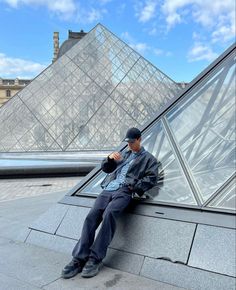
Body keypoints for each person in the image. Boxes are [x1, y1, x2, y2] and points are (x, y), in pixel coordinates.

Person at [61, 127, 158, 279]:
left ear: (139, 139)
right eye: (127, 142)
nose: (129, 145)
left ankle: (95, 259)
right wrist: (109, 159)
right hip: (108, 189)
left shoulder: (149, 159)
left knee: (109, 214)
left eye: (132, 142)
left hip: (125, 191)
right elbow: (106, 169)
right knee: (91, 217)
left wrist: (134, 186)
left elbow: (152, 178)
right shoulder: (123, 153)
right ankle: (79, 259)